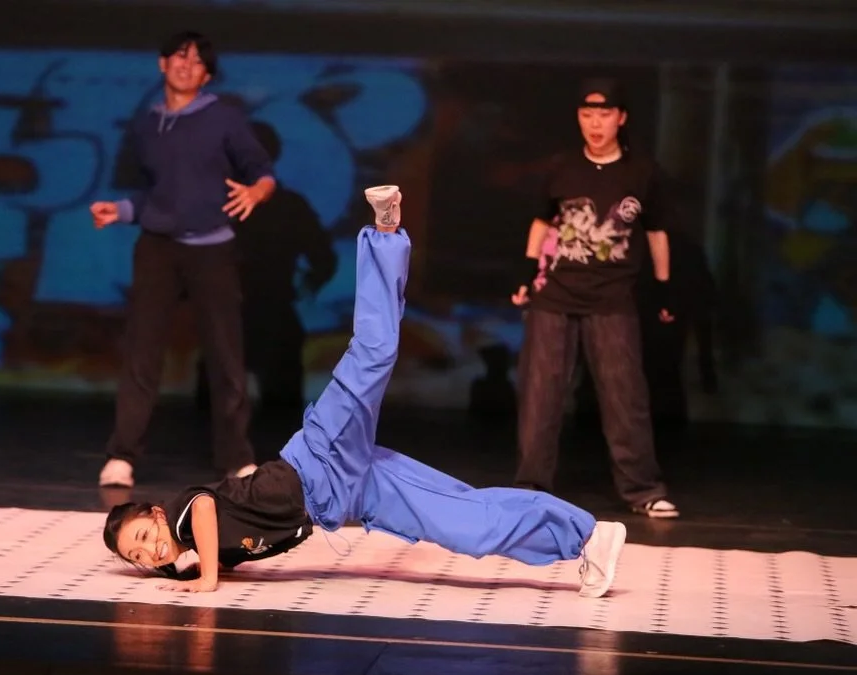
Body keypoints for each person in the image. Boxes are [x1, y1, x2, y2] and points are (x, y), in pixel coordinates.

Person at [102, 185, 627, 599]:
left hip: (319, 457)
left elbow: (206, 511)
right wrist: (184, 568)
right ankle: (589, 537)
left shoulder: (182, 515)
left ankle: (384, 230)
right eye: (138, 557)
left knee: (372, 353)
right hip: (351, 494)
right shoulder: (185, 551)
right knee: (466, 525)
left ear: (153, 516)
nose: (148, 553)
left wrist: (207, 577)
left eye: (143, 539)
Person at [91, 30, 276, 488]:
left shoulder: (224, 118)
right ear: (162, 64)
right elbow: (152, 191)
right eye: (178, 56)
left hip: (213, 248)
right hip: (158, 247)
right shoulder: (147, 122)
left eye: (195, 61)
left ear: (206, 74)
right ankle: (122, 456)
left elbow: (263, 172)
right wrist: (122, 211)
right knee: (142, 352)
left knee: (226, 356)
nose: (185, 65)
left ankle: (236, 457)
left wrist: (256, 191)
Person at [511, 77, 677, 519]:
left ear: (620, 118)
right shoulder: (561, 168)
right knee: (541, 395)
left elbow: (657, 232)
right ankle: (531, 488)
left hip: (612, 298)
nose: (595, 124)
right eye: (587, 115)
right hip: (555, 296)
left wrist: (663, 287)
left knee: (625, 398)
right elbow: (541, 222)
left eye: (604, 115)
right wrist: (528, 274)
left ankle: (643, 490)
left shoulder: (642, 172)